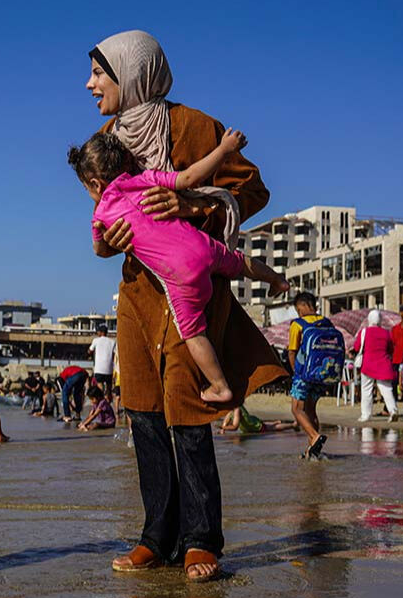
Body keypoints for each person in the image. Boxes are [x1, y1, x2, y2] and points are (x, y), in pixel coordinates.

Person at [86, 30, 285, 584]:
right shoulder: (104, 139)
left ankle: (201, 541)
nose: (90, 84)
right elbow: (104, 220)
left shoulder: (196, 126)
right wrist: (110, 241)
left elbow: (253, 189)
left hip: (190, 287)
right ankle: (157, 536)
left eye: (99, 72)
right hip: (137, 294)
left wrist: (191, 200)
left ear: (132, 73)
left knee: (187, 406)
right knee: (144, 409)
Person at [70, 131, 289, 404]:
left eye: (87, 189)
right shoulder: (144, 179)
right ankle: (278, 280)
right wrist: (224, 149)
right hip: (201, 246)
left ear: (95, 183)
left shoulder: (100, 214)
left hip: (180, 275)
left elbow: (98, 249)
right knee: (236, 260)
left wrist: (104, 238)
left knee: (193, 333)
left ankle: (220, 386)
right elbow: (189, 178)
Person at [287, 292, 340, 459]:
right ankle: (312, 449)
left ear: (302, 306)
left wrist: (296, 373)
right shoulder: (327, 322)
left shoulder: (298, 324)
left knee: (296, 409)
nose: (298, 312)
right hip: (323, 373)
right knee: (311, 410)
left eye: (298, 309)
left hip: (304, 374)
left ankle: (314, 437)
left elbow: (292, 352)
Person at [351, 309, 399, 422]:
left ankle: (366, 415)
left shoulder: (364, 332)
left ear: (369, 319)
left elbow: (357, 347)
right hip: (383, 365)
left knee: (366, 390)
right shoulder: (387, 333)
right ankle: (393, 410)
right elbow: (391, 349)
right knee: (386, 389)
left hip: (368, 365)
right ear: (380, 320)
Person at [217, 405, 295, 435]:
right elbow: (226, 421)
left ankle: (292, 425)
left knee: (272, 428)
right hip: (252, 423)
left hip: (256, 427)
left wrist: (222, 427)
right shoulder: (231, 410)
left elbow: (235, 427)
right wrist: (223, 429)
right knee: (267, 425)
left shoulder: (237, 410)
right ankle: (276, 422)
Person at [88, 324, 118, 398]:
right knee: (109, 389)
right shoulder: (112, 341)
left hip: (99, 369)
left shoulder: (96, 340)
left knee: (100, 388)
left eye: (98, 331)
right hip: (109, 369)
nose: (97, 333)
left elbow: (89, 351)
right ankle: (108, 401)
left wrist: (90, 351)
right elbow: (114, 355)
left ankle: (101, 402)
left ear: (101, 332)